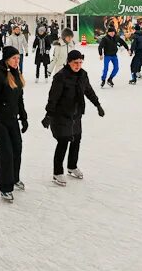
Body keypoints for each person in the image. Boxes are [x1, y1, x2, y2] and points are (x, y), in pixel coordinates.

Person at [42, 50, 104, 186]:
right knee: (63, 142)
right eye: (75, 63)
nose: (78, 65)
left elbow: (88, 90)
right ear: (69, 62)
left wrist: (97, 104)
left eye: (80, 62)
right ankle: (57, 172)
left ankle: (72, 166)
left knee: (76, 140)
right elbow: (53, 97)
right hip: (61, 115)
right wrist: (48, 114)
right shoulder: (60, 77)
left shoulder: (83, 75)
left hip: (76, 114)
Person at [0, 46, 28, 202]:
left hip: (12, 119)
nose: (17, 61)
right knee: (6, 153)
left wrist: (23, 117)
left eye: (18, 58)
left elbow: (19, 99)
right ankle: (5, 187)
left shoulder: (16, 74)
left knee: (17, 148)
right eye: (13, 58)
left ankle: (14, 178)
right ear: (6, 59)